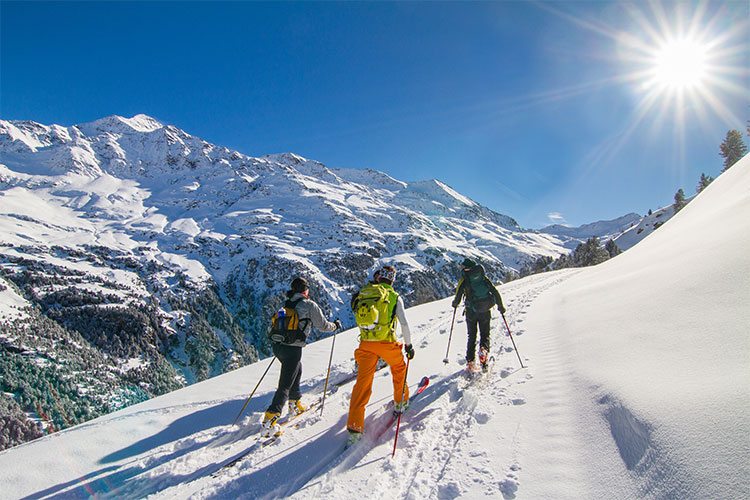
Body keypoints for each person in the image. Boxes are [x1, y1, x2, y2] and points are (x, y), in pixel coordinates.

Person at [262, 277, 342, 437]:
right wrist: (336, 326)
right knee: (285, 383)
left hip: (279, 346)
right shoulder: (308, 304)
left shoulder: (287, 303)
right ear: (305, 290)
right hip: (292, 348)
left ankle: (295, 402)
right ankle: (269, 421)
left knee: (296, 370)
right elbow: (323, 326)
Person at [346, 265, 414, 445]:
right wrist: (408, 345)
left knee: (362, 383)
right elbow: (404, 324)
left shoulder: (365, 293)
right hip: (386, 343)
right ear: (393, 279)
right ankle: (401, 402)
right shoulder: (394, 296)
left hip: (366, 343)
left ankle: (354, 428)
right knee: (399, 368)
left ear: (378, 278)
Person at [451, 258, 505, 372]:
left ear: (466, 268)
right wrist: (500, 306)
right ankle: (484, 353)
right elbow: (495, 291)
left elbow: (458, 295)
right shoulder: (483, 278)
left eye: (463, 266)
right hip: (485, 311)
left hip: (471, 312)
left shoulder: (465, 280)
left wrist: (455, 304)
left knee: (472, 337)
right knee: (485, 335)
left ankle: (470, 362)